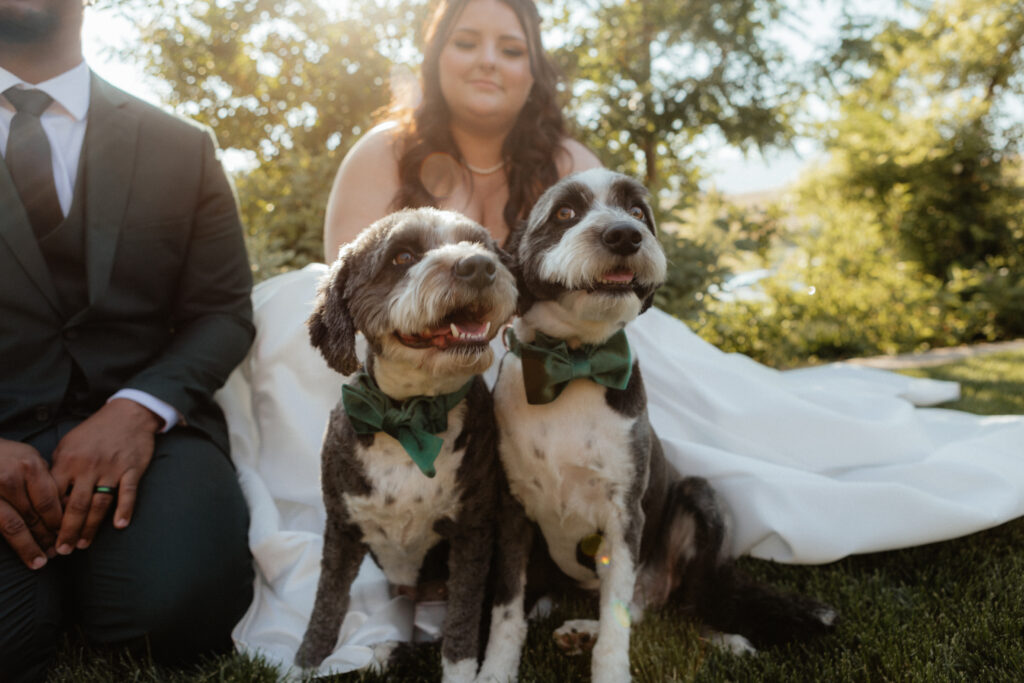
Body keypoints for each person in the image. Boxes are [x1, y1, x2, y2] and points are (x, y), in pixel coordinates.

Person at [224, 0, 1024, 675]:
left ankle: (767, 491)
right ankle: (366, 529)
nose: (488, 61)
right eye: (466, 42)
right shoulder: (381, 153)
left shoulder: (566, 157)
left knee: (712, 411)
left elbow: (614, 263)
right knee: (288, 301)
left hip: (572, 332)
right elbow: (348, 285)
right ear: (433, 57)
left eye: (512, 47)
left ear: (534, 69)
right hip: (433, 355)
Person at [0, 1, 255, 680]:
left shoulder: (182, 145)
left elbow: (223, 310)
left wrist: (138, 408)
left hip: (153, 440)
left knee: (175, 613)